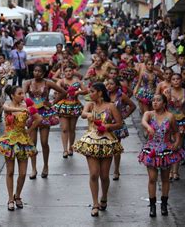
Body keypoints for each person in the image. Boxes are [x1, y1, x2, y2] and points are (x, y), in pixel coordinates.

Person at [73, 82, 123, 217]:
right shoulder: (90, 105)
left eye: (92, 91)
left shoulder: (111, 106)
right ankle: (95, 203)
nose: (90, 94)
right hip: (91, 141)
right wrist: (87, 115)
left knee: (105, 175)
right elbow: (83, 113)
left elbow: (119, 123)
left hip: (107, 141)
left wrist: (107, 127)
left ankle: (104, 197)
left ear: (100, 93)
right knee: (94, 174)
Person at [0, 85, 40, 211]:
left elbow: (39, 119)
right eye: (20, 93)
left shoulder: (26, 106)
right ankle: (10, 198)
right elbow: (6, 108)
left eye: (23, 93)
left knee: (22, 173)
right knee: (10, 171)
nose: (23, 96)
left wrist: (29, 130)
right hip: (9, 141)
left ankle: (18, 195)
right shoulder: (7, 105)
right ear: (12, 95)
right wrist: (24, 110)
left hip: (23, 141)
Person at [138, 94, 185, 217]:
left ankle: (164, 204)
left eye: (158, 100)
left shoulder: (170, 116)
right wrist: (148, 127)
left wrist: (176, 143)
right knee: (152, 178)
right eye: (153, 100)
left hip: (165, 150)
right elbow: (143, 121)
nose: (155, 102)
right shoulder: (149, 114)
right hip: (151, 150)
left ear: (164, 103)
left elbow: (176, 132)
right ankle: (152, 206)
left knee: (165, 178)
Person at [23, 64, 66, 179]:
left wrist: (52, 102)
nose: (36, 73)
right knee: (32, 143)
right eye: (35, 70)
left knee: (44, 142)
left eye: (39, 71)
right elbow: (23, 96)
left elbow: (63, 92)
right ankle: (33, 169)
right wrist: (27, 105)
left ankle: (46, 166)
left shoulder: (48, 83)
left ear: (43, 73)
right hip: (32, 115)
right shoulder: (27, 83)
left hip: (45, 115)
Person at [163, 73, 185, 177]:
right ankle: (169, 170)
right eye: (173, 79)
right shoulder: (167, 91)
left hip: (182, 121)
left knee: (177, 146)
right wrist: (167, 98)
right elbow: (161, 107)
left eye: (178, 79)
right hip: (168, 121)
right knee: (168, 145)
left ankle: (175, 172)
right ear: (171, 81)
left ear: (181, 80)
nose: (176, 81)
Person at [106, 78, 136, 180]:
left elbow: (132, 106)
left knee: (116, 148)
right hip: (105, 124)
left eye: (111, 84)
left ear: (117, 86)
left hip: (117, 125)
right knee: (106, 147)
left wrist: (125, 115)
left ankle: (116, 170)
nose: (109, 86)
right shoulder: (105, 95)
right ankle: (105, 170)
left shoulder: (121, 96)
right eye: (108, 84)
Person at [54, 65, 88, 158]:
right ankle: (65, 150)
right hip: (63, 106)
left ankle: (71, 148)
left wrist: (78, 92)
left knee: (72, 129)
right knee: (64, 128)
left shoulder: (77, 81)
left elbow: (86, 90)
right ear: (63, 73)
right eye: (66, 71)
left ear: (73, 72)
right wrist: (61, 90)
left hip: (74, 106)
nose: (68, 73)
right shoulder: (61, 81)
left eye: (70, 71)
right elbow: (56, 90)